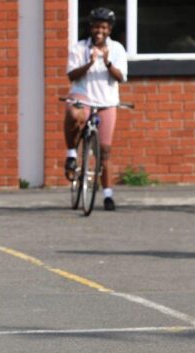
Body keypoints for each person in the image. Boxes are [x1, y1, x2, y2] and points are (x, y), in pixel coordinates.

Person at [63, 7, 127, 211]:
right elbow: (72, 76)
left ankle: (108, 195)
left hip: (106, 101)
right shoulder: (79, 48)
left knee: (105, 151)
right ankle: (72, 153)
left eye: (104, 27)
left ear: (109, 30)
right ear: (91, 28)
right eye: (96, 26)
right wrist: (90, 63)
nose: (100, 30)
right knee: (74, 113)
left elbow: (120, 78)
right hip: (84, 96)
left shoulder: (117, 49)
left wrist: (107, 62)